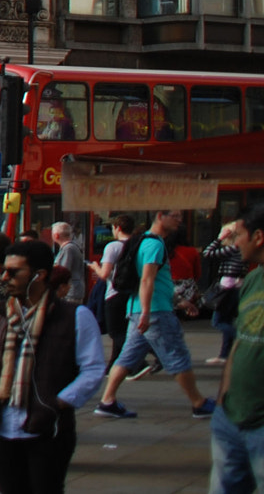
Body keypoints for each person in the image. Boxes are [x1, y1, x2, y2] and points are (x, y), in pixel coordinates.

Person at [0, 238, 105, 494]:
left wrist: (60, 402)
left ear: (39, 275)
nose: (4, 278)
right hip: (1, 425)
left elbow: (93, 369)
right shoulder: (0, 314)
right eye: (3, 271)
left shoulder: (75, 317)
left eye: (13, 272)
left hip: (48, 428)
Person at [95, 206, 215, 419]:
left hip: (139, 309)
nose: (180, 220)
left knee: (126, 358)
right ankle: (199, 403)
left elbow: (156, 281)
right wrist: (147, 313)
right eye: (175, 216)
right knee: (177, 356)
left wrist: (180, 301)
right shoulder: (154, 244)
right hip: (155, 312)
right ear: (160, 216)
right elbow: (147, 279)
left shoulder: (144, 241)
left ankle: (107, 401)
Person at [210, 201, 264, 494]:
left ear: (258, 237)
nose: (236, 243)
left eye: (239, 235)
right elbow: (241, 341)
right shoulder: (254, 279)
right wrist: (221, 403)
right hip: (230, 418)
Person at [95, 214, 136, 365]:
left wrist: (95, 267)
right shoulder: (137, 244)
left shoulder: (113, 246)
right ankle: (115, 362)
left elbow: (104, 274)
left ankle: (139, 360)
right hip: (131, 291)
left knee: (114, 331)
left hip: (114, 292)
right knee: (123, 328)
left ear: (117, 228)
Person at [204, 222, 246, 365]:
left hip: (226, 288)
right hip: (237, 286)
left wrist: (219, 239)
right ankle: (224, 355)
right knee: (227, 320)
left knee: (218, 321)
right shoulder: (242, 249)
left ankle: (242, 339)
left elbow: (207, 253)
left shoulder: (232, 249)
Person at [51, 222, 88, 311]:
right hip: (73, 291)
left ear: (56, 235)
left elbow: (63, 271)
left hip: (70, 293)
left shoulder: (68, 249)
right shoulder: (70, 247)